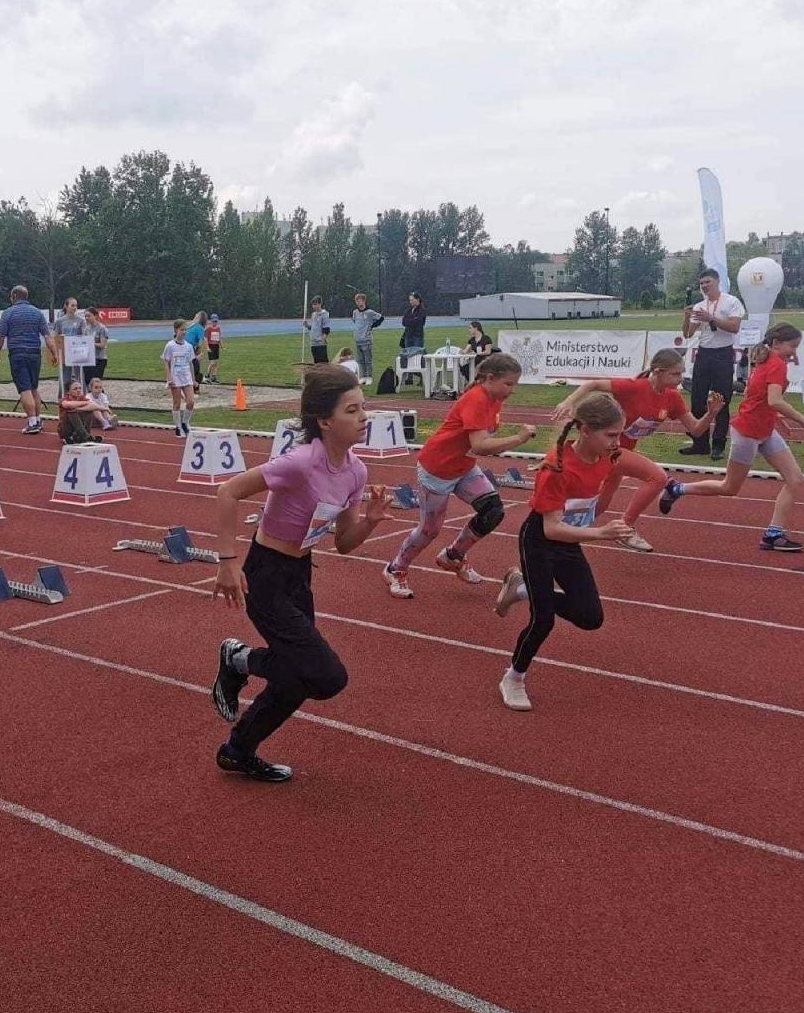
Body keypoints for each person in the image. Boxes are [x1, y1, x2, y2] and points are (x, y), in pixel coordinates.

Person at [208, 364, 394, 782]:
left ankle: (238, 750)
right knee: (327, 677)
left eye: (363, 407)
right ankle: (239, 659)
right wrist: (227, 560)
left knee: (296, 678)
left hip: (299, 575)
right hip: (266, 575)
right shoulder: (300, 463)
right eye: (352, 410)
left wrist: (370, 520)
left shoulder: (356, 471)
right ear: (325, 421)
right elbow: (228, 491)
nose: (364, 417)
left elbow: (344, 542)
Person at [491, 392, 634, 711]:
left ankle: (521, 589)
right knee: (543, 619)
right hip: (540, 542)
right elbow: (551, 529)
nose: (617, 442)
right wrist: (601, 533)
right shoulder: (557, 468)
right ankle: (513, 678)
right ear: (585, 430)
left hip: (568, 543)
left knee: (590, 617)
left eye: (620, 434)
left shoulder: (609, 456)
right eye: (611, 435)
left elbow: (636, 471)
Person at [382, 352, 536, 599]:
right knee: (429, 530)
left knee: (493, 511)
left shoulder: (494, 398)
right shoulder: (476, 399)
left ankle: (453, 556)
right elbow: (480, 445)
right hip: (438, 469)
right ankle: (395, 568)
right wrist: (519, 438)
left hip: (463, 467)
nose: (512, 390)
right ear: (490, 378)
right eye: (508, 384)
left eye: (514, 384)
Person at [659, 323, 804, 552]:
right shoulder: (774, 363)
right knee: (729, 487)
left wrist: (776, 419)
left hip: (765, 429)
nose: (794, 352)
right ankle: (676, 489)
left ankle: (773, 534)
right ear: (776, 343)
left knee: (795, 479)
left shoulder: (767, 360)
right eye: (792, 346)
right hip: (747, 431)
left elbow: (756, 396)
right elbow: (774, 400)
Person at [551, 348, 725, 552]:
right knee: (657, 477)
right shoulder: (634, 387)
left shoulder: (672, 397)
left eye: (682, 373)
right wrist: (568, 402)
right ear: (658, 372)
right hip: (607, 450)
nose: (681, 378)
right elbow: (593, 384)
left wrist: (711, 413)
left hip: (621, 452)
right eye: (676, 374)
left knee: (599, 506)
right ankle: (625, 529)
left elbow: (696, 430)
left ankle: (561, 534)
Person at [679, 269, 744, 459]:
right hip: (704, 353)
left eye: (707, 282)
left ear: (717, 281)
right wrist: (687, 316)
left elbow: (734, 327)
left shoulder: (731, 301)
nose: (704, 286)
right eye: (702, 283)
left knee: (721, 399)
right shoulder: (700, 305)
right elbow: (688, 334)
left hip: (723, 353)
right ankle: (700, 443)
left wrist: (712, 318)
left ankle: (718, 444)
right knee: (697, 399)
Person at [0, 285, 54, 435]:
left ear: (14, 296)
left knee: (24, 389)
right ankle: (38, 419)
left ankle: (32, 422)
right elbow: (47, 336)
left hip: (18, 353)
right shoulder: (37, 313)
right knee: (34, 387)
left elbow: (0, 336)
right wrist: (54, 353)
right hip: (35, 353)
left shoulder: (8, 313)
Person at [162, 319, 197, 438]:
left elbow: (191, 363)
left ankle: (185, 422)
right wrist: (169, 377)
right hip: (175, 377)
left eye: (185, 330)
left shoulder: (188, 346)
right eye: (182, 330)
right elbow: (166, 361)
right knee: (177, 403)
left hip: (186, 377)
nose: (184, 332)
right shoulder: (170, 346)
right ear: (176, 330)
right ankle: (178, 427)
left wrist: (193, 379)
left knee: (191, 402)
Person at [51, 297, 90, 393]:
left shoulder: (81, 321)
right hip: (64, 352)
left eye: (76, 305)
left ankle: (82, 395)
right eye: (72, 305)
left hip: (77, 351)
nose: (74, 308)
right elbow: (55, 337)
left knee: (79, 374)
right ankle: (63, 395)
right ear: (66, 306)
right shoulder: (59, 321)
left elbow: (84, 336)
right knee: (64, 375)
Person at [57, 379, 111, 444]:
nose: (78, 390)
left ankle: (84, 435)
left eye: (80, 388)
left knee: (89, 411)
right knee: (72, 411)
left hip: (77, 429)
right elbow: (67, 404)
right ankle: (84, 437)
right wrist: (86, 403)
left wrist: (104, 408)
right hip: (65, 429)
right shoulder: (64, 399)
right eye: (75, 389)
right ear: (68, 392)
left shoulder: (81, 398)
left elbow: (92, 405)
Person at [351, 293, 384, 384]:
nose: (358, 303)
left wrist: (372, 326)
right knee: (360, 360)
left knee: (368, 360)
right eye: (356, 301)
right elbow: (355, 322)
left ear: (364, 301)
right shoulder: (355, 312)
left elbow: (381, 318)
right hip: (358, 340)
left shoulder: (370, 312)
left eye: (359, 301)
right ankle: (363, 377)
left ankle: (369, 377)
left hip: (366, 340)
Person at [86, 306, 110, 384]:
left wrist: (91, 343)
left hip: (99, 358)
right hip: (89, 359)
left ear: (95, 316)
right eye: (85, 316)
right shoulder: (86, 328)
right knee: (88, 381)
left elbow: (102, 345)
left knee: (96, 382)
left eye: (89, 316)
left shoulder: (102, 328)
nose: (86, 318)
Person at [304, 296, 331, 364]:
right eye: (313, 304)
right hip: (313, 343)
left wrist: (324, 339)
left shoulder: (324, 314)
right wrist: (307, 325)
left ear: (320, 304)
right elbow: (312, 327)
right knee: (316, 362)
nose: (314, 306)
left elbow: (326, 328)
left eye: (316, 304)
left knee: (323, 363)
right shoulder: (313, 314)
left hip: (320, 343)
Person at [184, 311, 207, 387]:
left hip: (189, 348)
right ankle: (193, 385)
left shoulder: (199, 328)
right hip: (186, 347)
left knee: (193, 366)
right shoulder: (192, 325)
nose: (195, 315)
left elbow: (200, 343)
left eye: (197, 314)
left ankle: (194, 385)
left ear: (200, 318)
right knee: (192, 367)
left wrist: (198, 353)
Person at [400, 292, 427, 356]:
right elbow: (404, 322)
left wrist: (409, 321)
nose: (410, 302)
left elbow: (418, 322)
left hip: (417, 337)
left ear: (417, 299)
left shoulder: (422, 310)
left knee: (417, 355)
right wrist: (412, 320)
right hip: (408, 336)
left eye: (412, 300)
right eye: (410, 300)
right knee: (407, 355)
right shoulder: (408, 310)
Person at [204, 313, 223, 384]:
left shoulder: (218, 328)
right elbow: (205, 338)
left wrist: (221, 345)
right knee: (212, 362)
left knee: (216, 363)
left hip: (216, 346)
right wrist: (207, 347)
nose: (215, 323)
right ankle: (207, 376)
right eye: (213, 321)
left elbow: (219, 337)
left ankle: (214, 377)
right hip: (211, 346)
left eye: (216, 321)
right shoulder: (208, 329)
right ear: (211, 321)